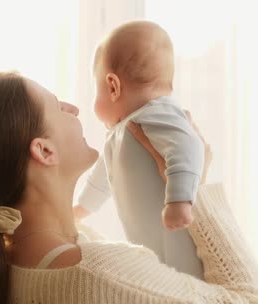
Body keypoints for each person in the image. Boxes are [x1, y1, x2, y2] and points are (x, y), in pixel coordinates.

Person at [0, 71, 258, 304]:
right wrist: (194, 190)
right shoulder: (101, 275)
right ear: (44, 150)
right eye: (58, 107)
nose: (72, 108)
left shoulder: (14, 263)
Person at [73, 21, 205, 278]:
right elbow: (101, 179)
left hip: (177, 245)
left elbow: (189, 148)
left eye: (95, 89)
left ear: (113, 86)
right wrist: (80, 210)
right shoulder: (121, 132)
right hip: (151, 251)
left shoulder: (158, 113)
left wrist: (179, 201)